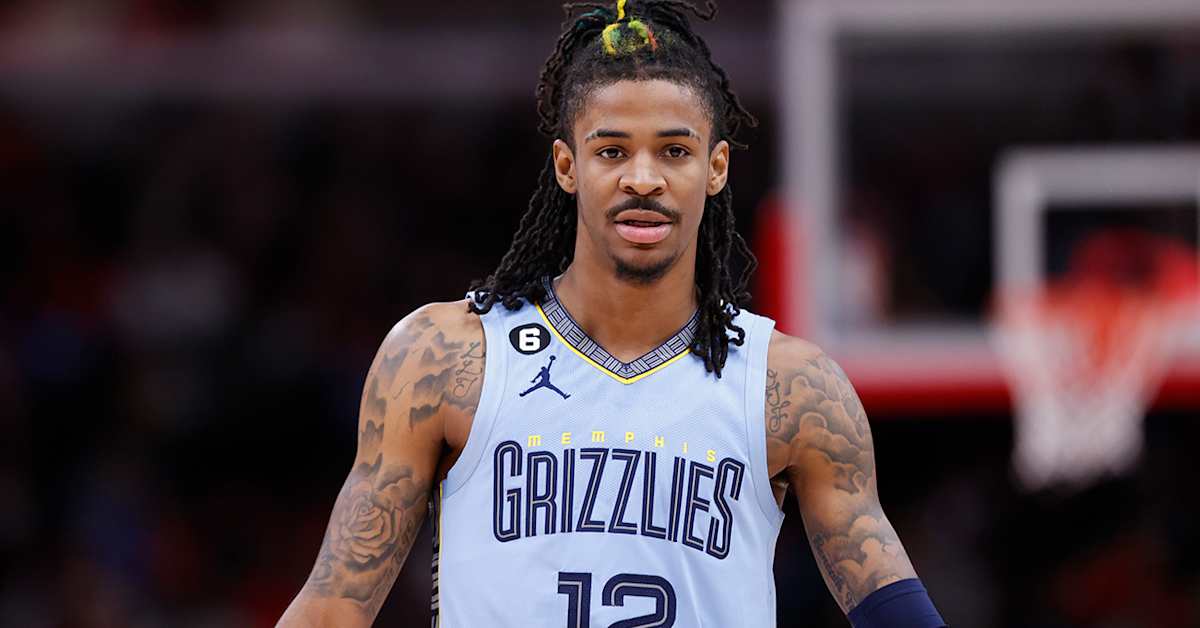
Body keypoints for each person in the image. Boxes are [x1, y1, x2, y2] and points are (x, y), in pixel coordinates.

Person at [277, 1, 945, 626]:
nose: (643, 179)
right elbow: (332, 608)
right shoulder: (445, 356)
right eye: (612, 151)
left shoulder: (791, 387)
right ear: (567, 165)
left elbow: (894, 607)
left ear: (716, 168)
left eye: (674, 151)